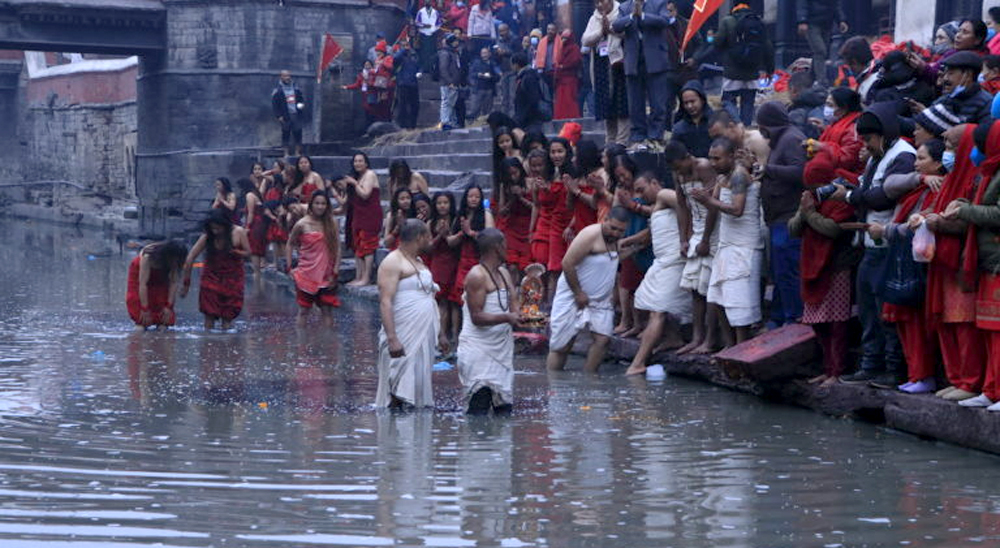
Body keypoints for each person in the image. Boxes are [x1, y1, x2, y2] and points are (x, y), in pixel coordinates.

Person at [829, 102, 914, 388]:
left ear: (883, 134)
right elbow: (867, 190)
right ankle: (870, 365)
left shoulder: (902, 156)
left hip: (889, 245)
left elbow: (881, 198)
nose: (865, 145)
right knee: (867, 310)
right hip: (869, 244)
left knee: (885, 311)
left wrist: (849, 197)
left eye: (868, 139)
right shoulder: (877, 156)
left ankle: (893, 369)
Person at [873, 140, 946, 394]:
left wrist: (887, 230)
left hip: (920, 265)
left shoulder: (940, 188)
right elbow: (889, 185)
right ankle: (915, 374)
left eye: (922, 158)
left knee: (915, 323)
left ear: (938, 163)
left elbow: (917, 225)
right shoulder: (920, 185)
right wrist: (920, 177)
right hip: (903, 260)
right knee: (905, 322)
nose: (916, 163)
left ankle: (923, 375)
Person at [924, 124, 987, 402]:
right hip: (942, 260)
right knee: (947, 322)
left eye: (951, 146)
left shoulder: (975, 176)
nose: (946, 153)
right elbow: (937, 208)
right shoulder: (950, 176)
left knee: (963, 322)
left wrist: (939, 222)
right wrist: (925, 216)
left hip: (961, 260)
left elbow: (967, 221)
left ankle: (970, 380)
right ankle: (957, 377)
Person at [943, 120, 1000, 410]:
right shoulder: (989, 172)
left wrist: (965, 210)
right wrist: (963, 203)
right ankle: (991, 389)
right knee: (989, 329)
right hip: (987, 261)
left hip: (997, 261)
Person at [692, 137, 764, 346]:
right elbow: (714, 203)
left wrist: (707, 200)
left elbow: (737, 209)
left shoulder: (739, 175)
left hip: (744, 246)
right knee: (718, 297)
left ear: (731, 157)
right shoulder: (723, 177)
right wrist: (705, 198)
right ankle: (729, 345)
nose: (713, 163)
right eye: (711, 158)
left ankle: (741, 349)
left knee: (738, 302)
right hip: (727, 244)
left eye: (717, 158)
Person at [546, 206, 629, 372]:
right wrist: (578, 293)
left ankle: (589, 380)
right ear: (605, 220)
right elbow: (567, 263)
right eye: (613, 228)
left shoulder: (616, 240)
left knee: (603, 340)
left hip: (600, 300)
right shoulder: (589, 234)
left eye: (620, 231)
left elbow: (610, 259)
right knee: (562, 345)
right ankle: (554, 384)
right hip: (573, 295)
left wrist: (636, 247)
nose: (615, 233)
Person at [625, 173, 691, 375]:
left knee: (658, 311)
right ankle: (673, 338)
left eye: (642, 189)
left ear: (654, 182)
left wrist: (685, 238)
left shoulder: (664, 194)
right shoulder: (656, 205)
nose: (639, 195)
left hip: (674, 258)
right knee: (655, 304)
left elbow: (683, 204)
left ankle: (638, 363)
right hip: (663, 260)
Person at [376, 219, 440, 410]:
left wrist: (442, 334)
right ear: (420, 237)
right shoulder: (392, 262)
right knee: (399, 388)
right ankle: (395, 428)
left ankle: (416, 428)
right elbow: (385, 301)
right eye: (428, 236)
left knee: (418, 383)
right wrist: (392, 338)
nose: (431, 241)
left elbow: (428, 296)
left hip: (422, 335)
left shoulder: (418, 261)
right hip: (402, 335)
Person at [665, 141, 721, 355]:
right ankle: (697, 338)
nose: (678, 171)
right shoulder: (677, 174)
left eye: (679, 166)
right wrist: (683, 238)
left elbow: (714, 207)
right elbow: (682, 206)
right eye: (674, 169)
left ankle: (710, 339)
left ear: (687, 157)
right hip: (697, 231)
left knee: (709, 288)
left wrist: (705, 240)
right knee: (695, 288)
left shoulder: (704, 167)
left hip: (715, 230)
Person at [457, 228, 520, 414]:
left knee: (504, 411)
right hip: (478, 350)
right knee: (478, 410)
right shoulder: (477, 276)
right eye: (505, 245)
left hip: (501, 351)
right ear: (497, 248)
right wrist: (507, 318)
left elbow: (513, 301)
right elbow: (476, 317)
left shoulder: (504, 273)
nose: (507, 248)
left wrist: (521, 316)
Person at [756, 101, 807, 327]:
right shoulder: (781, 140)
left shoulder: (791, 139)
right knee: (779, 271)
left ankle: (793, 318)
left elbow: (801, 172)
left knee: (788, 269)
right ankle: (779, 316)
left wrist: (768, 170)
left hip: (789, 216)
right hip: (777, 217)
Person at [699, 4, 774, 127]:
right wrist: (770, 70)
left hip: (732, 72)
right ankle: (746, 129)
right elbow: (768, 48)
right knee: (748, 103)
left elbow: (718, 43)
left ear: (734, 10)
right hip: (752, 71)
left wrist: (713, 40)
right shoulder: (758, 22)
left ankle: (737, 124)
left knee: (727, 101)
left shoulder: (727, 21)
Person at [613, 0, 672, 151]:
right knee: (635, 104)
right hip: (633, 61)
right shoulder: (625, 7)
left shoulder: (658, 3)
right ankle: (638, 137)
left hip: (655, 61)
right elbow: (616, 26)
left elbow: (665, 21)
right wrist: (632, 16)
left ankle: (655, 136)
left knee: (658, 103)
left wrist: (643, 16)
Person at [181, 210, 250, 330]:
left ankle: (226, 339)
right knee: (209, 314)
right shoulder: (207, 236)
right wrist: (186, 283)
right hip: (211, 277)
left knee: (228, 316)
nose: (215, 231)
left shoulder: (239, 232)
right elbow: (190, 257)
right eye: (213, 228)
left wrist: (236, 252)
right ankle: (208, 339)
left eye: (218, 228)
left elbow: (248, 252)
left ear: (225, 225)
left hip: (233, 278)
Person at [287, 190, 342, 326]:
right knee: (303, 311)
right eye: (317, 203)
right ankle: (301, 339)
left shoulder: (332, 223)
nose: (320, 207)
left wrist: (335, 270)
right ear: (311, 204)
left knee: (327, 310)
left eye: (323, 203)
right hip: (306, 273)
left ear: (327, 206)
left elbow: (338, 247)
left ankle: (328, 339)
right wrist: (289, 267)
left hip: (327, 274)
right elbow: (290, 244)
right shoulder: (302, 224)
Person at [582, 0, 630, 146]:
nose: (599, 5)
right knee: (606, 104)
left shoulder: (621, 12)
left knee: (621, 103)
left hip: (619, 63)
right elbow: (585, 40)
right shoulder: (594, 18)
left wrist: (610, 29)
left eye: (602, 1)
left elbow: (628, 33)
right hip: (600, 65)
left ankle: (622, 140)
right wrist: (601, 32)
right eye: (596, 2)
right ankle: (610, 140)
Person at [447, 185, 495, 304]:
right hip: (463, 261)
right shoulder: (461, 215)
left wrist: (471, 233)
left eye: (477, 197)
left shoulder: (486, 214)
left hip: (480, 261)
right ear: (466, 198)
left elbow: (491, 239)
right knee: (459, 299)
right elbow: (450, 241)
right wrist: (461, 234)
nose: (473, 199)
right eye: (470, 196)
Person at [126, 241, 188, 331]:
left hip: (161, 278)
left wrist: (169, 306)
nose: (175, 262)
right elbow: (143, 284)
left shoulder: (175, 261)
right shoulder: (148, 256)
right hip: (140, 276)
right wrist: (144, 308)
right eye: (173, 259)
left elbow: (173, 283)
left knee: (164, 320)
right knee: (141, 322)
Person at [342, 153, 382, 286]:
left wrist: (354, 183)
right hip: (358, 214)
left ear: (366, 163)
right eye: (355, 161)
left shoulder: (370, 174)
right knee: (357, 244)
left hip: (370, 215)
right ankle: (358, 276)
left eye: (360, 161)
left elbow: (365, 194)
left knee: (367, 246)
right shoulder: (357, 176)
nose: (358, 163)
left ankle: (366, 277)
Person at [429, 191, 461, 352]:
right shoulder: (430, 223)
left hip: (454, 262)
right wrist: (439, 236)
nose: (442, 206)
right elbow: (428, 247)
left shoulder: (456, 221)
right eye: (439, 203)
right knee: (441, 300)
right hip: (438, 263)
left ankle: (455, 335)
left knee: (454, 301)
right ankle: (441, 334)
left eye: (445, 203)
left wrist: (448, 234)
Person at [495, 156, 534, 280]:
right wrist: (512, 199)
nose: (513, 177)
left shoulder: (530, 182)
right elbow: (501, 212)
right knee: (511, 265)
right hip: (512, 228)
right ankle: (512, 289)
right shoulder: (504, 186)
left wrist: (521, 198)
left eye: (515, 173)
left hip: (528, 226)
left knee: (526, 266)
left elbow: (536, 207)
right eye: (509, 175)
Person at [796, 0, 848, 86]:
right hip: (812, 22)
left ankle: (810, 80)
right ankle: (822, 81)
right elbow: (802, 3)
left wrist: (841, 20)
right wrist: (802, 20)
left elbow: (836, 4)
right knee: (820, 51)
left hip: (826, 22)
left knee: (820, 53)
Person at [670, 80, 714, 158]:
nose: (689, 106)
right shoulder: (679, 129)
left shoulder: (714, 122)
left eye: (692, 101)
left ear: (702, 100)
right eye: (686, 103)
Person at [271, 70, 306, 157]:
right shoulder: (278, 91)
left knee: (298, 133)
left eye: (289, 76)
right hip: (285, 115)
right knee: (286, 134)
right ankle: (285, 153)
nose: (288, 78)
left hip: (296, 114)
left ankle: (297, 152)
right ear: (281, 77)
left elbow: (301, 99)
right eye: (285, 76)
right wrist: (279, 116)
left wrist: (301, 106)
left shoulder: (296, 89)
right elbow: (275, 105)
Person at [240, 178, 268, 277]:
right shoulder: (255, 194)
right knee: (258, 246)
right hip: (260, 223)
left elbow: (251, 213)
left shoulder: (249, 195)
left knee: (254, 247)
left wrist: (247, 227)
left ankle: (256, 271)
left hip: (255, 224)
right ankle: (258, 269)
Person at [512, 52, 545, 133]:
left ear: (516, 65)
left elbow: (534, 98)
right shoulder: (523, 76)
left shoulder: (528, 77)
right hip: (525, 117)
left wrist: (523, 115)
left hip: (531, 119)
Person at [553, 30, 583, 120]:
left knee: (569, 98)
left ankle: (571, 116)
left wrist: (563, 66)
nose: (563, 40)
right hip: (561, 78)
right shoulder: (561, 48)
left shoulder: (574, 48)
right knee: (561, 99)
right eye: (562, 38)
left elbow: (574, 61)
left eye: (566, 38)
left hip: (570, 78)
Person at [393, 38, 422, 129]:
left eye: (407, 45)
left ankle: (412, 125)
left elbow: (419, 65)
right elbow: (395, 59)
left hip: (413, 83)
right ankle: (402, 125)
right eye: (404, 45)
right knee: (403, 105)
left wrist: (420, 72)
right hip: (403, 83)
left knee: (415, 105)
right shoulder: (399, 55)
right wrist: (402, 50)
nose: (406, 47)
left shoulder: (414, 55)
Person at [438, 33, 463, 130]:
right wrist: (449, 81)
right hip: (447, 83)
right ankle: (445, 121)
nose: (457, 42)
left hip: (455, 82)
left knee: (452, 102)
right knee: (446, 102)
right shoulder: (445, 53)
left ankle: (452, 121)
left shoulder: (454, 53)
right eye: (455, 41)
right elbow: (443, 69)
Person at [468, 47, 502, 120]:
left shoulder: (493, 63)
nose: (484, 55)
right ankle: (473, 123)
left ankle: (485, 123)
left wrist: (491, 77)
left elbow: (498, 76)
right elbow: (471, 74)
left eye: (486, 53)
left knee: (487, 110)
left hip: (489, 89)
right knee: (475, 109)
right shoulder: (476, 63)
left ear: (489, 54)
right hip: (478, 89)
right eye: (483, 53)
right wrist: (478, 74)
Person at [415, 0, 442, 72]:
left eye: (429, 2)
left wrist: (433, 29)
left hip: (432, 35)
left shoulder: (435, 12)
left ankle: (430, 68)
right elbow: (417, 22)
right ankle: (423, 68)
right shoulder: (420, 12)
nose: (427, 3)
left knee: (431, 52)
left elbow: (439, 23)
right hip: (423, 35)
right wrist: (424, 25)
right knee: (423, 52)